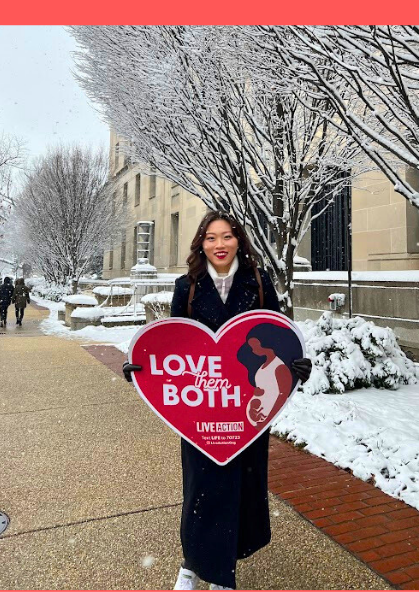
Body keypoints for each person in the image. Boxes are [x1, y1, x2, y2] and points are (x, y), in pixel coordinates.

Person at [116, 213, 312, 590]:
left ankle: (224, 569)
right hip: (200, 407)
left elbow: (277, 335)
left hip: (248, 407)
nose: (219, 244)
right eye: (210, 238)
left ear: (239, 240)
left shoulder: (258, 282)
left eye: (226, 236)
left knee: (242, 485)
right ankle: (193, 562)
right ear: (201, 244)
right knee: (201, 487)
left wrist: (296, 366)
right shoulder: (186, 286)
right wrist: (142, 367)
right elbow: (173, 344)